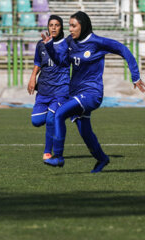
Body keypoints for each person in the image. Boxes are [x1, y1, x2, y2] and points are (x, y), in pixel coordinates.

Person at [41, 11, 145, 173]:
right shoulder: (70, 42)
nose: (71, 29)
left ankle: (59, 157)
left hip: (92, 93)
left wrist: (135, 76)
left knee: (59, 114)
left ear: (83, 26)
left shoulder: (97, 42)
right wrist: (49, 47)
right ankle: (102, 159)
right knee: (85, 132)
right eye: (69, 26)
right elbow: (62, 62)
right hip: (75, 93)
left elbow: (123, 49)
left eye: (74, 26)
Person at [27, 15, 70, 160]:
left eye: (57, 25)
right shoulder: (40, 44)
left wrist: (50, 46)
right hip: (44, 89)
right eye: (51, 25)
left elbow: (59, 60)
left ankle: (47, 152)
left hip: (60, 90)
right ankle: (59, 117)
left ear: (61, 27)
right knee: (37, 121)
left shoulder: (66, 44)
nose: (53, 28)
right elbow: (38, 62)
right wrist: (33, 77)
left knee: (51, 119)